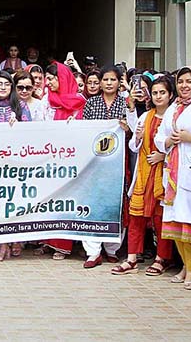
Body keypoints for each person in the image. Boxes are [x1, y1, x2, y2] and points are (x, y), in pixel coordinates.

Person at [154, 66, 191, 291]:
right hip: (173, 171)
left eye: (189, 81)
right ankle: (185, 266)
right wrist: (167, 142)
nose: (184, 86)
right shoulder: (172, 108)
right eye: (181, 82)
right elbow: (160, 136)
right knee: (175, 219)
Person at [112, 75, 175, 275]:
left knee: (160, 218)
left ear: (170, 95)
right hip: (144, 172)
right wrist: (137, 138)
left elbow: (179, 143)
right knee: (136, 216)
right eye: (155, 93)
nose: (158, 96)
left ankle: (161, 258)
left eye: (162, 93)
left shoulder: (174, 117)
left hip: (164, 174)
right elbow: (134, 146)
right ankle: (131, 259)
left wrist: (162, 155)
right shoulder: (146, 116)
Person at [33, 62, 86, 260]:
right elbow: (39, 125)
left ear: (63, 78)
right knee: (48, 201)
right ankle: (47, 241)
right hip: (48, 159)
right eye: (48, 78)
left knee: (64, 201)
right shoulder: (46, 99)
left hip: (68, 160)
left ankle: (63, 245)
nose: (50, 82)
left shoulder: (79, 100)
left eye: (53, 78)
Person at [79, 65, 127, 268]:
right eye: (105, 80)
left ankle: (112, 249)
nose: (108, 83)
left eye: (112, 80)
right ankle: (92, 252)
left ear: (119, 82)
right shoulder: (91, 103)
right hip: (94, 163)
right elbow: (84, 131)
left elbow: (134, 130)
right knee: (93, 202)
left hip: (119, 162)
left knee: (116, 202)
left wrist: (127, 126)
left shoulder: (126, 104)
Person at [0, 71, 31, 261]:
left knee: (15, 205)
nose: (3, 87)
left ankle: (15, 240)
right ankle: (3, 244)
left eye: (7, 84)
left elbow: (32, 133)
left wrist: (19, 125)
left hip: (16, 166)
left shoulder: (20, 106)